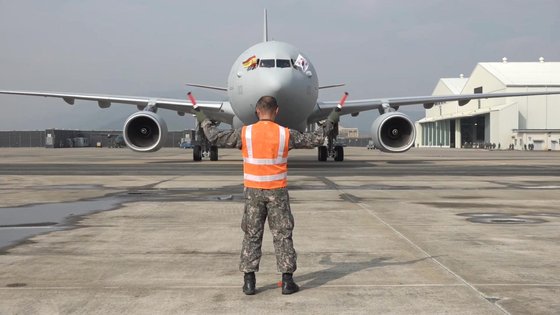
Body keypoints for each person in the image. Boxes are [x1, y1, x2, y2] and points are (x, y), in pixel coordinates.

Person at [194, 95, 339, 295]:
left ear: (257, 111)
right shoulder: (285, 134)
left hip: (253, 192)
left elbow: (214, 137)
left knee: (252, 235)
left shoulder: (245, 133)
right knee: (283, 235)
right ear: (277, 111)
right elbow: (316, 139)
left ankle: (249, 282)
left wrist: (202, 118)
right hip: (277, 192)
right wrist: (330, 119)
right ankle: (287, 281)